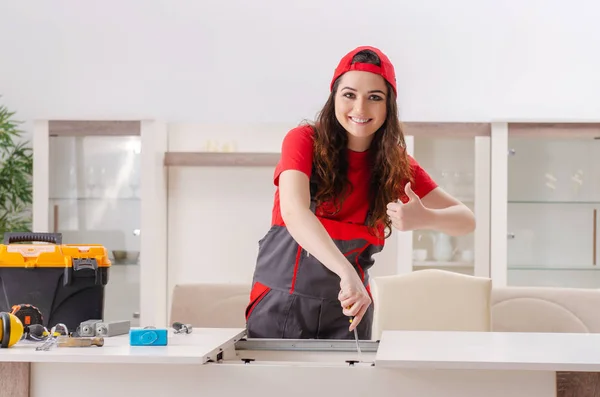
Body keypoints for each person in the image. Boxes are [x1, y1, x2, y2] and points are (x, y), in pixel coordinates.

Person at [245, 45, 476, 340]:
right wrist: (346, 273)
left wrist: (424, 217)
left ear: (388, 106)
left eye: (374, 98)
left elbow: (467, 220)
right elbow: (294, 211)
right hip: (279, 305)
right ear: (334, 98)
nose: (360, 109)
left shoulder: (397, 164)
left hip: (351, 310)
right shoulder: (303, 141)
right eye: (349, 95)